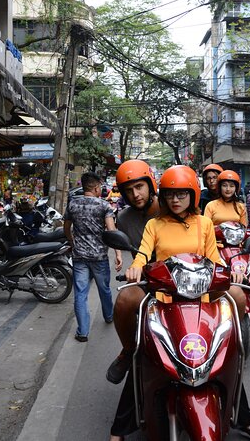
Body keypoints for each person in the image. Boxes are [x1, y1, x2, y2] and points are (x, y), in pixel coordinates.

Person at [110, 165, 250, 441]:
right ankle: (122, 424)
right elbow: (143, 255)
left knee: (224, 349)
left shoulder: (204, 223)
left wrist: (231, 271)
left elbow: (214, 258)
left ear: (193, 195)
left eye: (182, 194)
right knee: (144, 355)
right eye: (170, 194)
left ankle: (245, 420)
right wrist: (136, 267)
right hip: (165, 297)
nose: (175, 200)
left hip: (200, 294)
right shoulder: (154, 224)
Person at [107, 160, 160, 384]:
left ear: (150, 185)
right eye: (129, 191)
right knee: (123, 301)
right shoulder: (124, 218)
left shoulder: (170, 207)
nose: (135, 194)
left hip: (183, 278)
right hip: (147, 278)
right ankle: (128, 351)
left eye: (139, 187)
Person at [64, 172, 123, 343]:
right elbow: (112, 232)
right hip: (99, 257)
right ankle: (109, 315)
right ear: (96, 187)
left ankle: (82, 332)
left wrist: (71, 241)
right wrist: (118, 253)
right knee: (104, 288)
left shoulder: (72, 204)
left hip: (79, 256)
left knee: (80, 294)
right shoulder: (103, 206)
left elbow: (66, 228)